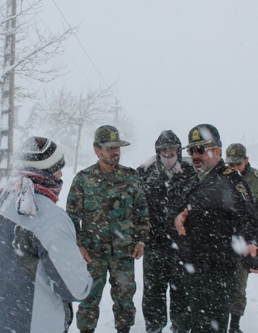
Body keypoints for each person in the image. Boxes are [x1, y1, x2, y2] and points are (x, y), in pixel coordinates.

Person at [172, 124, 258, 333]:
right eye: (192, 150)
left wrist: (252, 245)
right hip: (189, 271)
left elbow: (250, 220)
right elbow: (177, 211)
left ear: (217, 151)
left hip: (215, 276)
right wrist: (177, 219)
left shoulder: (232, 181)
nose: (195, 155)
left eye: (201, 149)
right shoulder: (192, 179)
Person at [0, 136, 93, 333]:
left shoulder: (3, 203)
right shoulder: (50, 219)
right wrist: (84, 274)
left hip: (1, 322)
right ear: (46, 172)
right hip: (37, 324)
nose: (61, 174)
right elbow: (75, 288)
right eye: (57, 168)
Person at [66, 125, 150, 333]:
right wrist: (78, 245)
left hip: (123, 253)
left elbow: (142, 212)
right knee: (88, 300)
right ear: (97, 150)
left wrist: (141, 240)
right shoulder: (83, 179)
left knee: (125, 300)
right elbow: (71, 217)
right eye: (110, 147)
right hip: (93, 254)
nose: (115, 152)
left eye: (117, 147)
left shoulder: (130, 177)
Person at [137, 130, 195, 333]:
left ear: (178, 150)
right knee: (153, 294)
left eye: (172, 149)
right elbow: (137, 206)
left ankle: (181, 328)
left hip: (182, 246)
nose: (168, 153)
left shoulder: (189, 172)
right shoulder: (145, 172)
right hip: (155, 246)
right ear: (158, 151)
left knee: (182, 294)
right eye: (164, 149)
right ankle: (154, 328)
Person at [225, 143, 258, 333]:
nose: (234, 169)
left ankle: (234, 326)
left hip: (246, 244)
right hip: (223, 241)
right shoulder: (221, 178)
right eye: (230, 165)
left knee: (239, 286)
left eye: (238, 164)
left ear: (246, 160)